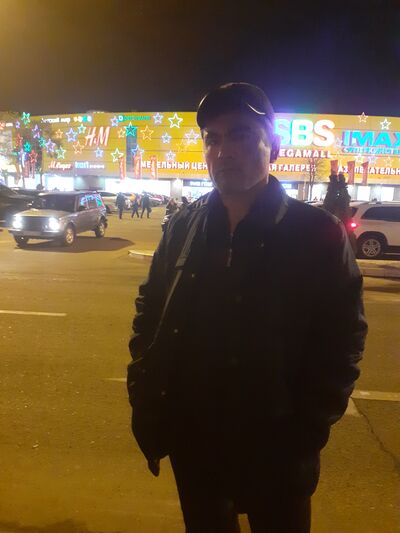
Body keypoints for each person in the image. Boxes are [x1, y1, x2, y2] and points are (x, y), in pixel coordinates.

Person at [127, 82, 368, 533]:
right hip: (194, 438)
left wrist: (307, 430)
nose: (223, 151)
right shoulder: (183, 226)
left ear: (271, 146)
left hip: (276, 446)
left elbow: (343, 341)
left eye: (240, 134)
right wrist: (145, 389)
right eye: (212, 139)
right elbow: (151, 310)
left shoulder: (317, 233)